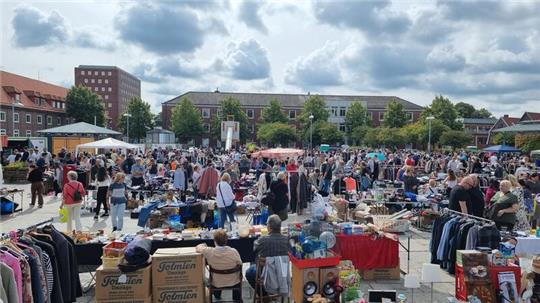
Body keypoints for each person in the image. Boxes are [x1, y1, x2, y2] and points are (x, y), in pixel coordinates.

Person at [196, 229, 243, 301]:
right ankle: (236, 299)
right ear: (226, 240)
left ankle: (217, 295)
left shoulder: (209, 251)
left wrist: (204, 245)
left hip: (217, 283)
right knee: (237, 277)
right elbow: (240, 264)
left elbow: (198, 247)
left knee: (214, 278)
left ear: (214, 241)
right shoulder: (233, 251)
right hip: (234, 282)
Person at [245, 215, 289, 291]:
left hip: (266, 273)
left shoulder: (263, 240)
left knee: (249, 272)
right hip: (282, 273)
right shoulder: (286, 240)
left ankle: (263, 294)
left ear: (269, 227)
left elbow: (254, 248)